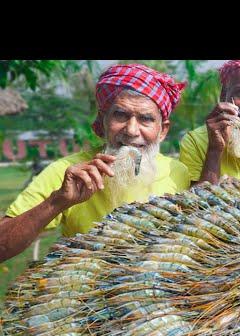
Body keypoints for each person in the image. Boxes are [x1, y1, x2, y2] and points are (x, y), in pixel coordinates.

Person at [0, 63, 190, 263]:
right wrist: (58, 201)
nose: (132, 130)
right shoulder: (68, 172)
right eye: (121, 115)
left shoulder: (178, 172)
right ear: (102, 122)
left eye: (146, 119)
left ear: (163, 131)